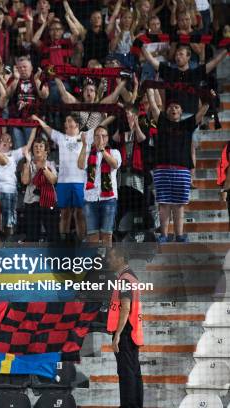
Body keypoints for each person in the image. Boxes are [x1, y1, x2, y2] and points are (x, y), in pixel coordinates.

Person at [146, 88, 210, 243]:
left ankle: (179, 236)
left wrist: (208, 100)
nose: (173, 108)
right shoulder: (161, 121)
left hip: (182, 170)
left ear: (181, 111)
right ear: (166, 111)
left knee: (179, 204)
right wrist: (148, 88)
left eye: (176, 107)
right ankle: (164, 235)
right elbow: (153, 105)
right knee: (164, 203)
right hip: (162, 169)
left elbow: (201, 113)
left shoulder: (188, 124)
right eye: (170, 107)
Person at [106, 246, 144, 408]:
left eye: (111, 257)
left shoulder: (125, 279)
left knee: (126, 374)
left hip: (126, 333)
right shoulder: (131, 277)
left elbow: (126, 307)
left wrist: (118, 334)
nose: (108, 260)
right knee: (134, 373)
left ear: (120, 258)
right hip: (133, 332)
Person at [78, 126, 122, 247]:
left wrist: (102, 150)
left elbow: (114, 164)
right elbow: (81, 165)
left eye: (103, 136)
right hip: (90, 199)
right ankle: (95, 263)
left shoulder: (114, 152)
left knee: (107, 235)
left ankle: (107, 262)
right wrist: (84, 145)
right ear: (93, 138)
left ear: (107, 138)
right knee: (92, 236)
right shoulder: (87, 152)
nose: (100, 138)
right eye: (97, 136)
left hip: (108, 200)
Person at [20, 136, 59, 243]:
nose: (38, 148)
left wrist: (43, 167)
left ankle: (54, 258)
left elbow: (53, 180)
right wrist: (28, 162)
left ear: (46, 149)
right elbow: (25, 181)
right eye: (35, 146)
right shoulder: (27, 164)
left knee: (52, 233)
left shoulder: (51, 164)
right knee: (32, 235)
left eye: (41, 146)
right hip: (31, 201)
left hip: (48, 201)